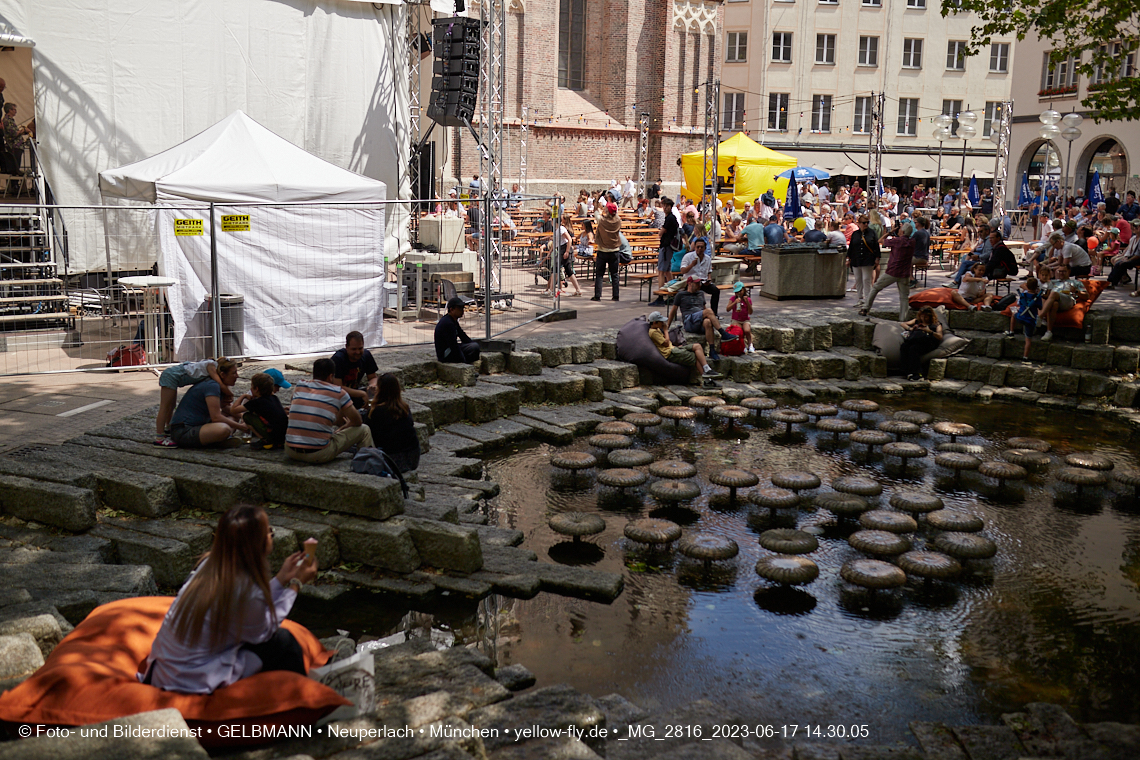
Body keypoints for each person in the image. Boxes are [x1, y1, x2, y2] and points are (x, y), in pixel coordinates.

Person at [141, 505, 317, 693]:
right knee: (284, 642)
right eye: (269, 532)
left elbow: (251, 608)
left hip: (163, 672)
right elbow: (263, 632)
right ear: (257, 543)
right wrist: (296, 584)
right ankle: (302, 699)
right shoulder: (246, 587)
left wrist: (281, 578)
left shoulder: (210, 565)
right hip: (192, 680)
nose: (271, 536)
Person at [285, 358, 374, 463]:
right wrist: (345, 427)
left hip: (290, 450)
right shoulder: (339, 392)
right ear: (331, 376)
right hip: (318, 454)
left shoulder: (300, 386)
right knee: (364, 429)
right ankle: (369, 463)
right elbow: (357, 421)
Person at [167, 360, 248, 449]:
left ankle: (222, 438)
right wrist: (241, 427)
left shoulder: (217, 385)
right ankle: (217, 441)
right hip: (183, 431)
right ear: (222, 374)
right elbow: (216, 417)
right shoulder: (212, 386)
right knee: (224, 429)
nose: (237, 376)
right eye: (234, 373)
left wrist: (245, 418)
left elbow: (227, 408)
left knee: (234, 416)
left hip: (200, 425)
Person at [155, 357, 234, 446]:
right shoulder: (211, 365)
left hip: (173, 376)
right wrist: (230, 394)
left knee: (171, 406)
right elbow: (220, 383)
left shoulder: (208, 365)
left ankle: (168, 428)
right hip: (171, 376)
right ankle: (159, 437)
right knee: (165, 407)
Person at [667, 277, 735, 361]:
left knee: (707, 322)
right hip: (689, 321)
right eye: (696, 283)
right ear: (689, 283)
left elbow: (703, 308)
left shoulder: (701, 293)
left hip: (699, 320)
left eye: (699, 283)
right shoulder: (681, 295)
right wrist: (667, 326)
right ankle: (723, 333)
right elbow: (673, 311)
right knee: (709, 311)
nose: (699, 285)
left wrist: (710, 317)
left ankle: (712, 351)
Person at [365, 373, 420, 474]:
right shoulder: (405, 408)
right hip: (413, 457)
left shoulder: (377, 411)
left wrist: (371, 399)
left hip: (392, 460)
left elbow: (370, 430)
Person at [861, 221, 915, 321]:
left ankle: (865, 308)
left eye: (900, 229)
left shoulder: (896, 241)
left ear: (902, 232)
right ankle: (903, 320)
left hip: (892, 271)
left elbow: (880, 240)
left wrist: (890, 232)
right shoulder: (912, 242)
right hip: (905, 273)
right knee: (904, 297)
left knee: (875, 287)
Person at [647, 310, 719, 379]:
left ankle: (707, 369)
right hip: (670, 353)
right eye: (661, 322)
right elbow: (666, 343)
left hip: (674, 348)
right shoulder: (653, 332)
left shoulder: (657, 329)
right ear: (654, 322)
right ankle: (706, 379)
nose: (663, 323)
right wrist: (666, 330)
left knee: (697, 346)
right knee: (695, 356)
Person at [230, 370, 290, 450]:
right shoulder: (274, 398)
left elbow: (233, 410)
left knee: (247, 416)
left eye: (252, 386)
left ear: (256, 389)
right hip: (283, 436)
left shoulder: (256, 402)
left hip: (273, 435)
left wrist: (243, 396)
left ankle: (264, 440)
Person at [1038, 264, 1086, 341]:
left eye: (1064, 271)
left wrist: (1076, 291)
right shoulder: (1052, 282)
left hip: (1068, 300)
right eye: (1059, 271)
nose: (1061, 273)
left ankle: (1040, 317)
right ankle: (1049, 332)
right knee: (1054, 304)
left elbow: (1086, 296)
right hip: (1053, 301)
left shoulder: (1075, 282)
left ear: (1069, 271)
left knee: (1053, 293)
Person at [331, 331, 378, 409]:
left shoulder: (366, 355)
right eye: (354, 349)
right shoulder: (338, 359)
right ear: (346, 347)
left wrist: (372, 386)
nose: (358, 352)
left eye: (360, 348)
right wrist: (361, 394)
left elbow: (373, 377)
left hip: (354, 392)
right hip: (336, 396)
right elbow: (338, 388)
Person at [898, 306, 943, 381]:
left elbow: (940, 336)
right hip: (916, 340)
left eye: (926, 317)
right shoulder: (917, 321)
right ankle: (905, 371)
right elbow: (903, 324)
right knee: (904, 346)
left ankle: (917, 373)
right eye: (922, 316)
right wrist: (911, 328)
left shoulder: (936, 324)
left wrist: (929, 331)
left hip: (928, 343)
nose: (923, 318)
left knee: (914, 349)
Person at [1004, 277, 1044, 361]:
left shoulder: (1023, 295)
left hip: (1020, 317)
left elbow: (1019, 303)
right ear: (1036, 287)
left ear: (1027, 286)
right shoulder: (1038, 297)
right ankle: (1025, 357)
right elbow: (1040, 307)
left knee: (1014, 313)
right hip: (1030, 320)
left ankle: (1011, 331)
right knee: (1028, 339)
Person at [677, 237, 720, 315]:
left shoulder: (707, 258)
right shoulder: (688, 256)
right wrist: (692, 265)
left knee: (716, 291)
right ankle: (694, 312)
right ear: (694, 247)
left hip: (703, 281)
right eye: (698, 247)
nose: (699, 249)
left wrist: (709, 280)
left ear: (705, 248)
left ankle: (714, 313)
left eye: (701, 247)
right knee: (695, 292)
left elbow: (709, 271)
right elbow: (683, 271)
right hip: (690, 282)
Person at [847, 215, 880, 312]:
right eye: (864, 223)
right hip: (856, 259)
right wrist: (848, 258)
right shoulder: (855, 234)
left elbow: (876, 246)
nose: (866, 224)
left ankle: (867, 299)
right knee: (858, 280)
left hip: (868, 259)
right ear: (859, 224)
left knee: (866, 279)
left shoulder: (872, 233)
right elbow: (851, 247)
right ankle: (860, 298)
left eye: (867, 222)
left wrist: (877, 257)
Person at [651, 197, 680, 305]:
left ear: (670, 207)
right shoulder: (672, 218)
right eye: (664, 206)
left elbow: (661, 232)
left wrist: (661, 232)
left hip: (666, 246)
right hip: (669, 247)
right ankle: (672, 294)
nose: (665, 208)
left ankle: (661, 296)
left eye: (667, 206)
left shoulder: (670, 218)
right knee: (667, 272)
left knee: (661, 271)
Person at [546, 213, 583, 297]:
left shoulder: (561, 229)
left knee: (555, 269)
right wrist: (550, 252)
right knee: (568, 270)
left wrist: (567, 251)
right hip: (560, 249)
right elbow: (555, 243)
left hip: (564, 249)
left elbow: (569, 239)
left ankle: (551, 290)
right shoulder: (557, 230)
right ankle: (578, 290)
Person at [434, 297, 480, 364]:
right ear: (451, 309)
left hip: (450, 349)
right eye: (459, 309)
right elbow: (453, 345)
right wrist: (463, 361)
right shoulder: (448, 323)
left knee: (474, 346)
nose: (462, 311)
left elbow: (462, 336)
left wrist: (471, 343)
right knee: (474, 347)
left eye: (462, 308)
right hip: (445, 354)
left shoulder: (453, 320)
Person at [592, 202, 622, 301]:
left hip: (603, 250)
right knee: (615, 274)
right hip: (615, 250)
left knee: (599, 274)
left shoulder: (601, 220)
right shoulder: (618, 221)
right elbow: (615, 213)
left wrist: (598, 206)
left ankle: (597, 295)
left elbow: (596, 212)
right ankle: (616, 295)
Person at [726, 282, 754, 353]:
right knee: (739, 331)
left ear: (744, 290)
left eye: (740, 291)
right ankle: (742, 345)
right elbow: (727, 309)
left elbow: (750, 312)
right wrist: (734, 302)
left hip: (745, 319)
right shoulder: (732, 299)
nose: (738, 293)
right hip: (736, 319)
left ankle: (750, 344)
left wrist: (747, 302)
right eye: (736, 292)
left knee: (747, 330)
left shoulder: (748, 299)